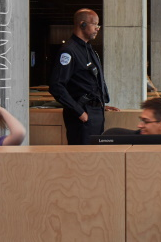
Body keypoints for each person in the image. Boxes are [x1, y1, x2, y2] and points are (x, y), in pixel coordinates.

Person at [49, 8, 120, 145]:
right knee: (82, 160)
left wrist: (99, 104)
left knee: (95, 158)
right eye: (95, 24)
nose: (98, 28)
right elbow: (56, 86)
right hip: (82, 116)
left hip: (94, 112)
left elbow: (88, 83)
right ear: (82, 24)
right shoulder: (69, 51)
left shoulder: (88, 49)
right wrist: (80, 112)